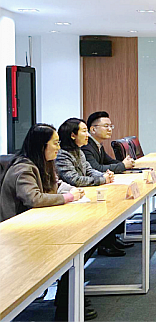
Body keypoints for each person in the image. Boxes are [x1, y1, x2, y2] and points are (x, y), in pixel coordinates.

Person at [0, 124, 97, 321]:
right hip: (17, 233)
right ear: (41, 145)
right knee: (74, 246)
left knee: (84, 240)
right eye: (55, 143)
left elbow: (54, 185)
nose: (58, 148)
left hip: (35, 224)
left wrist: (70, 191)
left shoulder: (42, 163)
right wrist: (68, 197)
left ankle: (67, 299)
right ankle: (66, 303)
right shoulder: (23, 168)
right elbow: (34, 198)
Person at [56, 118, 132, 256]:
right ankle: (102, 244)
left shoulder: (78, 151)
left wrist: (104, 175)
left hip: (85, 192)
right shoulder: (63, 155)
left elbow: (89, 170)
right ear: (73, 135)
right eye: (84, 131)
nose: (87, 135)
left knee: (113, 200)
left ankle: (110, 240)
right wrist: (102, 179)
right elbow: (75, 180)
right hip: (73, 198)